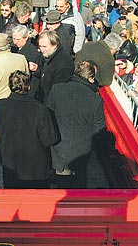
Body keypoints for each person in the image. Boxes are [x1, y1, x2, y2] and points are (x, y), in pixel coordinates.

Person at [0, 71, 58, 189]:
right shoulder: (40, 110)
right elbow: (49, 140)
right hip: (36, 171)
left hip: (11, 167)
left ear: (10, 86)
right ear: (29, 87)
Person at [46, 60, 106, 188]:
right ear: (90, 78)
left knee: (61, 186)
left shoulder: (57, 89)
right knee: (78, 187)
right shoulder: (95, 99)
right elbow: (99, 128)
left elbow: (48, 117)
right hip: (82, 151)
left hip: (58, 147)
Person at [35, 30, 73, 103]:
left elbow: (59, 90)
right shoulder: (50, 55)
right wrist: (37, 69)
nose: (41, 50)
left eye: (44, 46)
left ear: (55, 45)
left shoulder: (63, 63)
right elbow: (47, 73)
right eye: (40, 46)